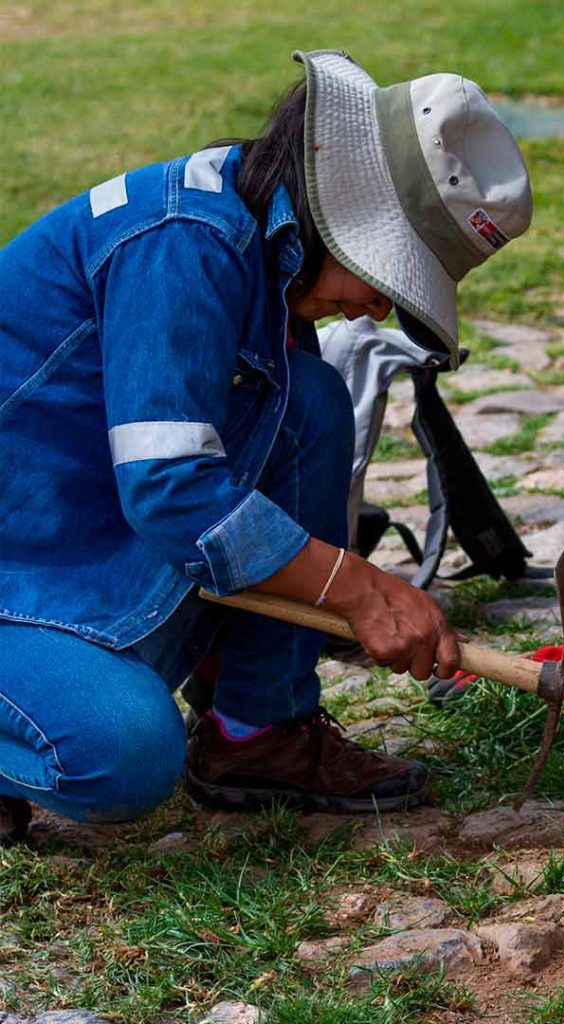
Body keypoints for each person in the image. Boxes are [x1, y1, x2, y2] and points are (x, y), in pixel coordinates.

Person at [0, 49, 532, 843]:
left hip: (74, 543)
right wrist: (356, 588)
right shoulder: (183, 239)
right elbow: (172, 489)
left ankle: (259, 733)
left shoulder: (255, 237)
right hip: (23, 567)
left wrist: (335, 591)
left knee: (309, 401)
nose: (379, 309)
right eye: (389, 273)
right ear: (344, 211)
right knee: (123, 753)